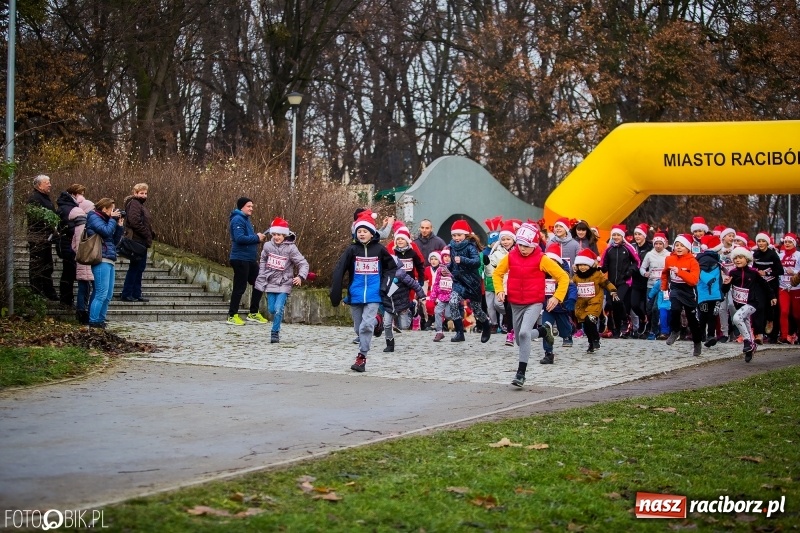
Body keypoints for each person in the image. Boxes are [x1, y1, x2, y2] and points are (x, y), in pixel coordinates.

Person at [492, 223, 566, 387]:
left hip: (534, 302)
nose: (523, 249)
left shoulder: (542, 259)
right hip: (515, 303)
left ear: (534, 245)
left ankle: (521, 374)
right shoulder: (511, 257)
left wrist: (557, 297)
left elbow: (563, 277)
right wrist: (499, 290)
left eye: (526, 246)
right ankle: (543, 330)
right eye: (520, 245)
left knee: (525, 334)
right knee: (520, 339)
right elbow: (497, 274)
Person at [330, 212, 398, 372]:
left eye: (365, 231)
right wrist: (336, 291)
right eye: (359, 231)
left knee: (365, 326)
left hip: (374, 293)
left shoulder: (380, 250)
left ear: (372, 233)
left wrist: (385, 285)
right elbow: (339, 270)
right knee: (358, 328)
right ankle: (378, 322)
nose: (361, 233)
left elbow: (391, 268)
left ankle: (361, 357)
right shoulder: (352, 250)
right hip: (355, 294)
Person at [253, 217, 309, 343]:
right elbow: (263, 260)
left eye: (279, 234)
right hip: (270, 282)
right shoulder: (267, 246)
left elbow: (303, 263)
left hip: (284, 283)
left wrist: (300, 276)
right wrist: (262, 275)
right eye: (274, 234)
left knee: (278, 309)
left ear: (284, 234)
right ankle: (277, 314)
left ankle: (275, 332)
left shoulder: (291, 248)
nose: (277, 237)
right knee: (271, 309)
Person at [721, 246, 777, 362]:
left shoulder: (753, 273)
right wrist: (726, 284)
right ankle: (751, 347)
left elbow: (764, 284)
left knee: (737, 318)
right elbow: (725, 290)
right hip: (739, 304)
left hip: (752, 303)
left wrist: (772, 296)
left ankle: (747, 342)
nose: (738, 260)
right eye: (735, 258)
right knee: (745, 323)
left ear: (747, 259)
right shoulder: (732, 272)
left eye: (741, 258)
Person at [446, 220, 491, 343]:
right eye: (454, 235)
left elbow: (477, 262)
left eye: (459, 235)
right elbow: (453, 263)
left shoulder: (471, 247)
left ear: (465, 235)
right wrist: (448, 267)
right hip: (458, 282)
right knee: (453, 301)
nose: (456, 238)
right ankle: (459, 332)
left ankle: (486, 325)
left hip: (472, 283)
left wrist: (463, 259)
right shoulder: (451, 247)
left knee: (477, 309)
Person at [85, 198, 125, 328]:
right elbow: (106, 231)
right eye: (111, 209)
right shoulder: (94, 217)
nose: (113, 212)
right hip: (100, 258)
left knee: (108, 294)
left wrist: (119, 226)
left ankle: (101, 319)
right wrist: (112, 220)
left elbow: (113, 240)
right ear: (104, 209)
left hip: (109, 257)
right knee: (101, 292)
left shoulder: (107, 221)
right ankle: (94, 321)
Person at [227, 197, 267, 326]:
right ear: (241, 207)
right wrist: (256, 237)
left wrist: (257, 237)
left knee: (259, 282)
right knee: (240, 288)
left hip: (249, 260)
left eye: (252, 206)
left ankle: (253, 312)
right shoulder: (237, 219)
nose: (251, 208)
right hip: (240, 259)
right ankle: (232, 316)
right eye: (249, 206)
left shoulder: (246, 220)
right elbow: (239, 238)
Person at [662, 234, 703, 357]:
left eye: (682, 245)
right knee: (674, 309)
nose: (679, 248)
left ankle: (697, 343)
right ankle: (675, 331)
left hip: (689, 291)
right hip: (675, 289)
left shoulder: (693, 261)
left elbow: (693, 280)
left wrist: (679, 272)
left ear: (688, 248)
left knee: (692, 320)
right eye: (677, 245)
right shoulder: (669, 259)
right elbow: (665, 273)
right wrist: (664, 287)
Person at [573, 248, 617, 353]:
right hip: (582, 304)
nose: (582, 267)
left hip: (595, 301)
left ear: (590, 265)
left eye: (585, 265)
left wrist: (613, 290)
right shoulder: (576, 277)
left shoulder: (597, 275)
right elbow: (571, 286)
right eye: (580, 265)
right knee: (586, 325)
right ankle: (591, 343)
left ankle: (596, 339)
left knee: (590, 320)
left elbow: (606, 282)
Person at [539, 243, 578, 363]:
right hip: (548, 308)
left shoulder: (563, 275)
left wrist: (571, 300)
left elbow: (572, 288)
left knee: (564, 330)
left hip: (561, 308)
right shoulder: (541, 275)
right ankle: (548, 353)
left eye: (553, 262)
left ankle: (570, 330)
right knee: (546, 329)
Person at [599, 224, 640, 338]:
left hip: (625, 281)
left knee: (618, 301)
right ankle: (615, 328)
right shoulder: (609, 249)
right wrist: (600, 268)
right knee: (610, 305)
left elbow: (637, 262)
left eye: (618, 235)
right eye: (614, 235)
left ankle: (625, 321)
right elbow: (604, 265)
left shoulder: (628, 248)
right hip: (611, 282)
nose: (616, 237)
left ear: (622, 236)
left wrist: (630, 271)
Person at [381, 255, 426, 352]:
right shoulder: (382, 275)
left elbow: (414, 284)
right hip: (389, 305)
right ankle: (390, 344)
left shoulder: (401, 274)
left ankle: (412, 311)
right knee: (387, 325)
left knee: (404, 326)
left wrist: (421, 295)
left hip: (402, 304)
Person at [120, 183, 154, 303]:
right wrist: (146, 233)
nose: (144, 195)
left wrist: (150, 233)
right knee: (135, 267)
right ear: (135, 193)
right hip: (137, 241)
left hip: (141, 241)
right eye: (141, 193)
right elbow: (134, 221)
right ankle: (128, 293)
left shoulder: (139, 204)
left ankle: (135, 293)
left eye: (145, 193)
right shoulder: (134, 203)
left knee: (139, 268)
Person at [26, 174, 59, 301]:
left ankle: (48, 291)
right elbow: (36, 219)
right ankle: (37, 292)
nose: (50, 184)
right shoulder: (34, 199)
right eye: (47, 182)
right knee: (38, 265)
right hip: (38, 238)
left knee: (47, 265)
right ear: (39, 185)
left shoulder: (46, 199)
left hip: (46, 238)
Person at [55, 183, 86, 307]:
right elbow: (69, 226)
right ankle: (66, 299)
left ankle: (67, 298)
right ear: (73, 194)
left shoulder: (66, 206)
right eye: (81, 194)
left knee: (69, 271)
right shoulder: (67, 208)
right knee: (68, 272)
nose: (82, 197)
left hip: (68, 242)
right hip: (68, 242)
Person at [489, 220, 517, 345]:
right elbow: (491, 268)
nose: (505, 242)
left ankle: (512, 332)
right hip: (503, 285)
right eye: (503, 239)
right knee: (503, 306)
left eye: (508, 239)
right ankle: (510, 328)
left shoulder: (519, 250)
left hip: (517, 284)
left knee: (512, 308)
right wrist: (486, 264)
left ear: (513, 240)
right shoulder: (497, 253)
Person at [752, 231, 783, 343]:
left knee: (772, 309)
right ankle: (759, 334)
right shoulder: (755, 255)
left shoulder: (773, 254)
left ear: (767, 242)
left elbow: (780, 270)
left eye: (763, 241)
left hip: (772, 286)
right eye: (759, 241)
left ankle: (771, 325)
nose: (760, 243)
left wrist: (767, 273)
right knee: (759, 307)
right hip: (760, 285)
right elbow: (754, 268)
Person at [69, 197, 94, 324]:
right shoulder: (86, 226)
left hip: (80, 259)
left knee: (82, 287)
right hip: (88, 259)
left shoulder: (77, 226)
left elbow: (74, 245)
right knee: (87, 288)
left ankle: (80, 312)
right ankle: (85, 312)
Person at [640, 232, 669, 339]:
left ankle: (655, 330)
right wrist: (645, 273)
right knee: (649, 309)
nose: (658, 246)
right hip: (651, 285)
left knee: (656, 308)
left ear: (664, 244)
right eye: (656, 243)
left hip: (662, 286)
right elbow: (642, 268)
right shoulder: (649, 254)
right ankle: (651, 327)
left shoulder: (668, 254)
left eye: (660, 244)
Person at [696, 235, 724, 347]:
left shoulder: (714, 258)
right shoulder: (707, 258)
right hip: (707, 293)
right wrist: (709, 279)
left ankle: (707, 336)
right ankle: (705, 335)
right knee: (707, 316)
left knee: (709, 316)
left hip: (712, 293)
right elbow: (699, 271)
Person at [629, 223, 653, 337]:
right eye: (635, 234)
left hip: (648, 281)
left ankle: (647, 328)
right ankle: (643, 319)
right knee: (634, 304)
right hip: (636, 280)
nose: (637, 236)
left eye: (639, 234)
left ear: (644, 235)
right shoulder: (632, 246)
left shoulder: (650, 247)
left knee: (646, 306)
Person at [777, 233, 800, 344]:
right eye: (785, 242)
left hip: (796, 288)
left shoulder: (798, 255)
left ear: (794, 243)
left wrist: (794, 272)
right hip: (783, 288)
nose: (787, 244)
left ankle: (797, 334)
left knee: (797, 314)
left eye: (790, 242)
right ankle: (784, 336)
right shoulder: (780, 256)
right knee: (784, 311)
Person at [429, 251, 454, 341]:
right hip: (442, 296)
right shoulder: (440, 269)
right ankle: (439, 332)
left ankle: (459, 327)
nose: (446, 258)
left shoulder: (455, 268)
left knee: (448, 315)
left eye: (448, 256)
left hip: (452, 296)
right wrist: (433, 296)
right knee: (437, 311)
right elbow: (436, 283)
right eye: (445, 256)